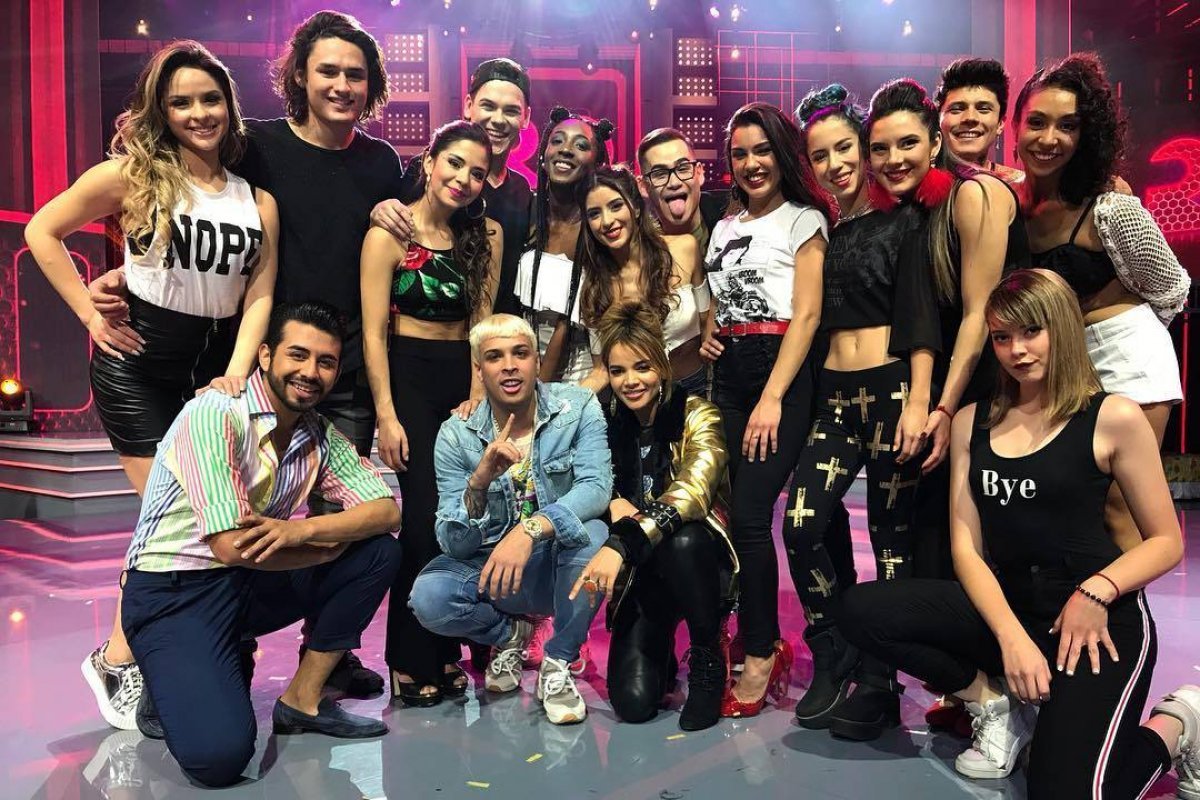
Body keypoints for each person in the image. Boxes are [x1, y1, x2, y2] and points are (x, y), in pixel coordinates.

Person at [839, 269, 1199, 798]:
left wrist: (1095, 592)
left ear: (1063, 327)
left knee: (1062, 791)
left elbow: (1167, 541)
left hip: (1095, 624)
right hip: (1011, 611)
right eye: (1002, 336)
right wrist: (1011, 639)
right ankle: (995, 703)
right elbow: (966, 548)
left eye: (1032, 331)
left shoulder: (1113, 416)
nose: (1017, 350)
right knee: (862, 610)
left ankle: (1177, 725)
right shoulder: (972, 422)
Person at [23, 41, 278, 732]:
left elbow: (259, 292)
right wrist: (88, 313)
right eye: (180, 102)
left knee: (183, 523)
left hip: (212, 373)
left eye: (210, 99)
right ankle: (122, 658)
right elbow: (43, 229)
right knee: (178, 520)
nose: (199, 113)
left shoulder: (255, 199)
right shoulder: (132, 176)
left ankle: (151, 656)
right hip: (138, 367)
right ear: (161, 112)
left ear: (229, 104)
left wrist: (238, 368)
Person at [120, 302, 402, 788]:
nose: (310, 372)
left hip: (247, 580)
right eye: (298, 355)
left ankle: (302, 700)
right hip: (173, 592)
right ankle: (167, 671)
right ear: (266, 355)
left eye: (326, 362)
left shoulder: (318, 434)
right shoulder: (216, 414)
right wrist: (320, 548)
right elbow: (230, 545)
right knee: (219, 759)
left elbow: (386, 510)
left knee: (377, 552)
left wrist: (304, 532)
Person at [782, 84, 939, 739]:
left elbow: (922, 318)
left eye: (844, 148)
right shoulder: (825, 230)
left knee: (891, 544)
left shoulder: (906, 221)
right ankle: (833, 642)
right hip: (837, 401)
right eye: (820, 156)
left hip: (894, 393)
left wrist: (921, 402)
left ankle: (880, 681)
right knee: (801, 524)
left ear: (864, 149)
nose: (834, 164)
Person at [1014, 52, 1191, 553]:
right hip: (1062, 363)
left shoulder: (1109, 202)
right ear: (1016, 125)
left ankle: (1131, 603)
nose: (1049, 138)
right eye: (1037, 122)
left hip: (1127, 356)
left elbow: (1173, 288)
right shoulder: (1009, 201)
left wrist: (1125, 329)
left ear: (1085, 134)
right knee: (1074, 504)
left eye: (1067, 126)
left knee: (1121, 504)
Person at [695, 102, 833, 718]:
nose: (751, 163)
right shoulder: (724, 226)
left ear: (782, 154)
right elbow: (719, 298)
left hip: (780, 372)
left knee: (753, 517)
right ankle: (740, 635)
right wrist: (710, 333)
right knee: (727, 517)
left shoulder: (804, 219)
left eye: (762, 150)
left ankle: (762, 650)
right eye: (740, 153)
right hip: (727, 375)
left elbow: (807, 314)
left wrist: (773, 396)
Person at [408, 313, 612, 725]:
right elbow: (454, 544)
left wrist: (529, 530)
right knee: (429, 597)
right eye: (494, 357)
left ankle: (558, 660)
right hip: (494, 570)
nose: (509, 366)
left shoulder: (577, 407)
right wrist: (479, 482)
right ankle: (513, 635)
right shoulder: (456, 433)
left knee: (593, 535)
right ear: (478, 370)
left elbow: (596, 488)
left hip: (556, 563)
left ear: (536, 360)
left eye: (520, 353)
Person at [360, 120, 502, 707]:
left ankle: (445, 646)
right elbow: (373, 334)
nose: (464, 179)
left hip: (462, 382)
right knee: (421, 520)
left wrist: (477, 399)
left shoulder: (485, 236)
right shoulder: (389, 233)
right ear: (430, 162)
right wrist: (387, 415)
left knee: (458, 517)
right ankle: (408, 657)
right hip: (408, 380)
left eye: (477, 172)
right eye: (455, 163)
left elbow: (482, 328)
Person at [574, 301, 735, 731]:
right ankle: (660, 646)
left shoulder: (697, 413)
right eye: (618, 370)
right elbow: (584, 480)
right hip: (643, 575)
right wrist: (609, 500)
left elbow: (692, 493)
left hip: (696, 562)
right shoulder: (603, 423)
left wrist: (622, 540)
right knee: (633, 705)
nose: (630, 381)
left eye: (642, 367)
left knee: (684, 538)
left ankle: (707, 657)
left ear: (661, 366)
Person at [374, 58, 533, 316]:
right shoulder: (425, 173)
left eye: (511, 111)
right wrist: (380, 210)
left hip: (498, 329)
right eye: (488, 106)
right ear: (469, 106)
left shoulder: (522, 189)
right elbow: (393, 228)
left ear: (526, 118)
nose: (498, 120)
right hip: (435, 321)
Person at [578, 165, 709, 395]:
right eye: (594, 214)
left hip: (693, 390)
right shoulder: (594, 285)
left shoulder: (685, 249)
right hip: (635, 400)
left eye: (616, 206)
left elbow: (707, 321)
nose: (606, 221)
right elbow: (601, 370)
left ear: (636, 208)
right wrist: (561, 406)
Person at [515, 106, 615, 384]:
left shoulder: (599, 228)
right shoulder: (526, 212)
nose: (566, 150)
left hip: (582, 380)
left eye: (581, 145)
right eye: (557, 141)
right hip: (523, 371)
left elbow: (566, 323)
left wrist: (540, 393)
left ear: (597, 164)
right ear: (543, 155)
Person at [635, 127, 729, 253]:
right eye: (660, 174)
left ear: (699, 173)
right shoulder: (640, 250)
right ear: (643, 187)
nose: (674, 183)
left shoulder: (734, 213)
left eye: (683, 168)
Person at [935, 57, 1025, 184]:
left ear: (1000, 123)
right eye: (957, 109)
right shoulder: (914, 184)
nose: (970, 118)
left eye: (983, 109)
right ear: (938, 119)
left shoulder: (1018, 187)